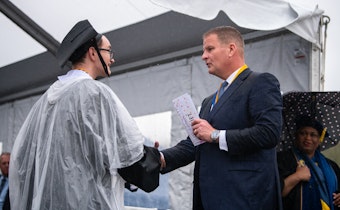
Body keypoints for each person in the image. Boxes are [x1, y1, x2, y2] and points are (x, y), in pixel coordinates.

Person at [9, 20, 149, 209]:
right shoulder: (95, 93)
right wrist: (154, 159)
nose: (112, 59)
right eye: (109, 51)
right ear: (93, 53)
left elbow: (24, 160)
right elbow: (125, 153)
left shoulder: (46, 100)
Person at [159, 26, 283, 209]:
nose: (203, 56)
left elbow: (269, 132)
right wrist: (159, 157)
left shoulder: (261, 82)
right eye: (204, 51)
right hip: (210, 200)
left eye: (210, 49)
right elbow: (195, 143)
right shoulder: (209, 101)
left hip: (245, 199)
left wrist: (216, 135)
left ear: (231, 49)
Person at [277, 115, 340, 210]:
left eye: (313, 135)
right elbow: (274, 193)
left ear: (319, 140)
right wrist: (297, 176)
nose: (308, 138)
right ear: (296, 136)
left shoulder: (331, 166)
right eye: (303, 133)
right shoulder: (283, 160)